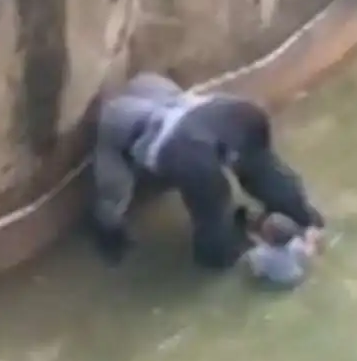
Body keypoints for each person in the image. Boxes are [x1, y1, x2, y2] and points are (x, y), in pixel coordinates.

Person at [92, 73, 325, 269]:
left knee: (213, 211)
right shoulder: (149, 80)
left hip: (184, 142)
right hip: (231, 111)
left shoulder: (109, 121)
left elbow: (112, 190)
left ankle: (221, 257)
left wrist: (111, 232)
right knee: (263, 169)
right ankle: (306, 219)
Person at [242, 212, 323, 288]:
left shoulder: (261, 254)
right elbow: (309, 251)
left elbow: (256, 271)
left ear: (268, 238)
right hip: (296, 277)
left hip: (276, 282)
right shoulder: (296, 244)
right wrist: (311, 238)